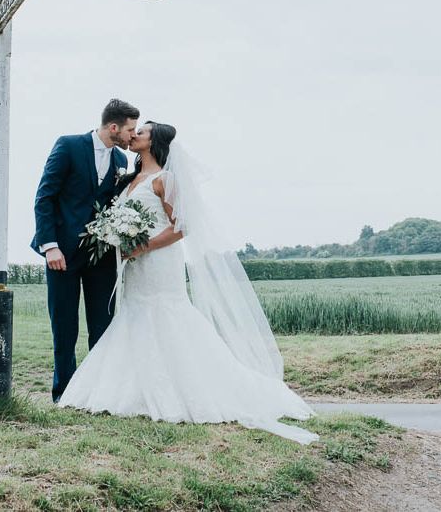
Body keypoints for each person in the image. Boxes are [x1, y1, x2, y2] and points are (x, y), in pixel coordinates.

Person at [59, 121, 319, 444]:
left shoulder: (165, 180)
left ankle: (190, 388)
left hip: (157, 261)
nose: (135, 134)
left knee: (166, 316)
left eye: (143, 132)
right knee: (134, 316)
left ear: (154, 143)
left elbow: (183, 226)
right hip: (134, 265)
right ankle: (133, 389)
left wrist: (144, 245)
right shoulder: (128, 179)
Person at [31, 98, 139, 402]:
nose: (132, 135)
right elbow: (44, 197)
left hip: (101, 257)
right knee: (64, 328)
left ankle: (98, 392)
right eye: (130, 129)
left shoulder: (121, 160)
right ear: (113, 127)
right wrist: (50, 246)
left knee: (102, 327)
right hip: (61, 255)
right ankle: (63, 394)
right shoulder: (67, 146)